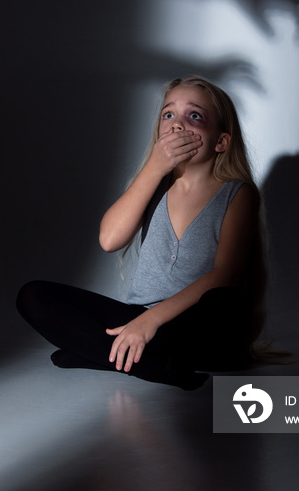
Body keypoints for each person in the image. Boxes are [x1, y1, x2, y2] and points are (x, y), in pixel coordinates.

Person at [17, 75, 267, 389]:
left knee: (225, 303)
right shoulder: (152, 186)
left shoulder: (237, 193)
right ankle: (149, 365)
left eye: (194, 116)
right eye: (168, 115)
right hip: (141, 319)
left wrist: (151, 321)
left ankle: (98, 354)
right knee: (34, 296)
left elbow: (225, 276)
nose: (177, 125)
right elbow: (109, 240)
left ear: (221, 141)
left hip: (197, 326)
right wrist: (154, 167)